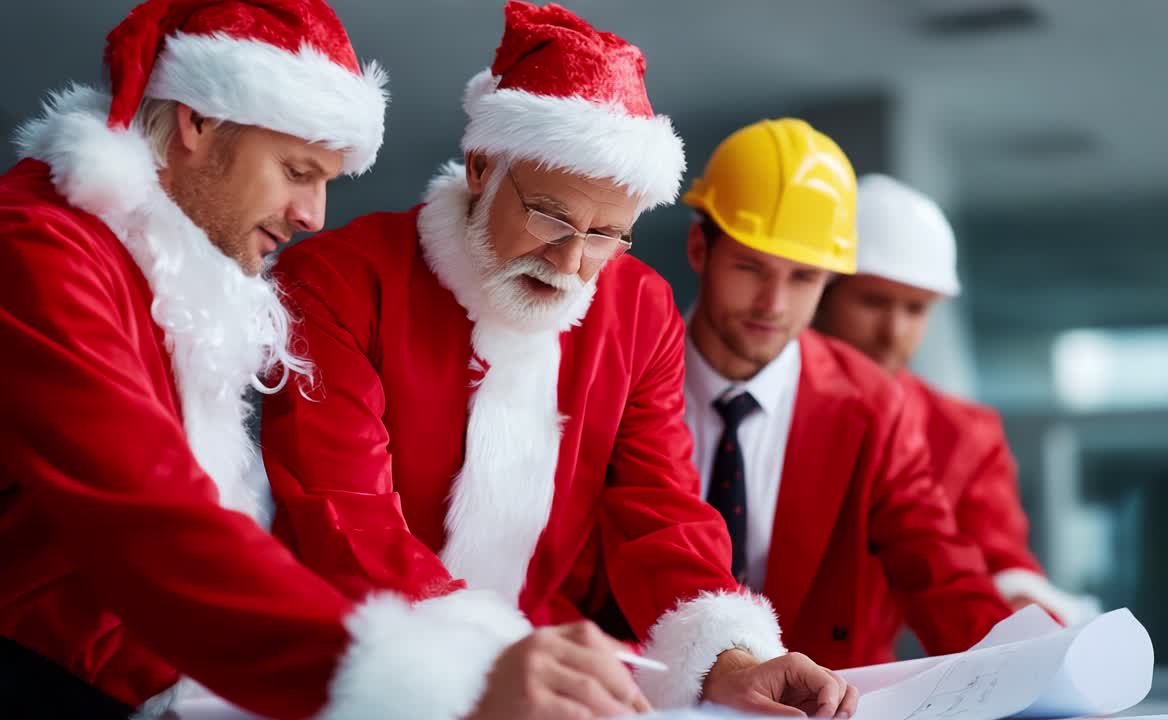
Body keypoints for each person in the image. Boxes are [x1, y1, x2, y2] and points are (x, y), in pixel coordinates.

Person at [0, 2, 577, 718]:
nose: (314, 215)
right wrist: (443, 685)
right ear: (198, 120)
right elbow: (156, 528)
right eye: (296, 170)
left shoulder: (149, 269)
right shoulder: (25, 253)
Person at [261, 1, 858, 715]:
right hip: (355, 675)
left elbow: (659, 512)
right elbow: (346, 517)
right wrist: (485, 662)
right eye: (551, 215)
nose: (572, 262)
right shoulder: (337, 280)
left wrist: (729, 658)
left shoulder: (640, 310)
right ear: (482, 166)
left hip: (551, 686)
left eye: (609, 234)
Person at [680, 119, 1013, 669]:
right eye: (749, 267)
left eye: (804, 278)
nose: (773, 304)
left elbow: (940, 571)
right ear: (699, 249)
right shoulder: (633, 369)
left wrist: (1030, 676)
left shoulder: (872, 403)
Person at [813, 173, 1098, 639]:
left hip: (855, 695)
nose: (894, 331)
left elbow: (1001, 569)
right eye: (873, 301)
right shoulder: (750, 400)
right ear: (823, 292)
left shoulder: (964, 434)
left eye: (916, 308)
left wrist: (1046, 652)